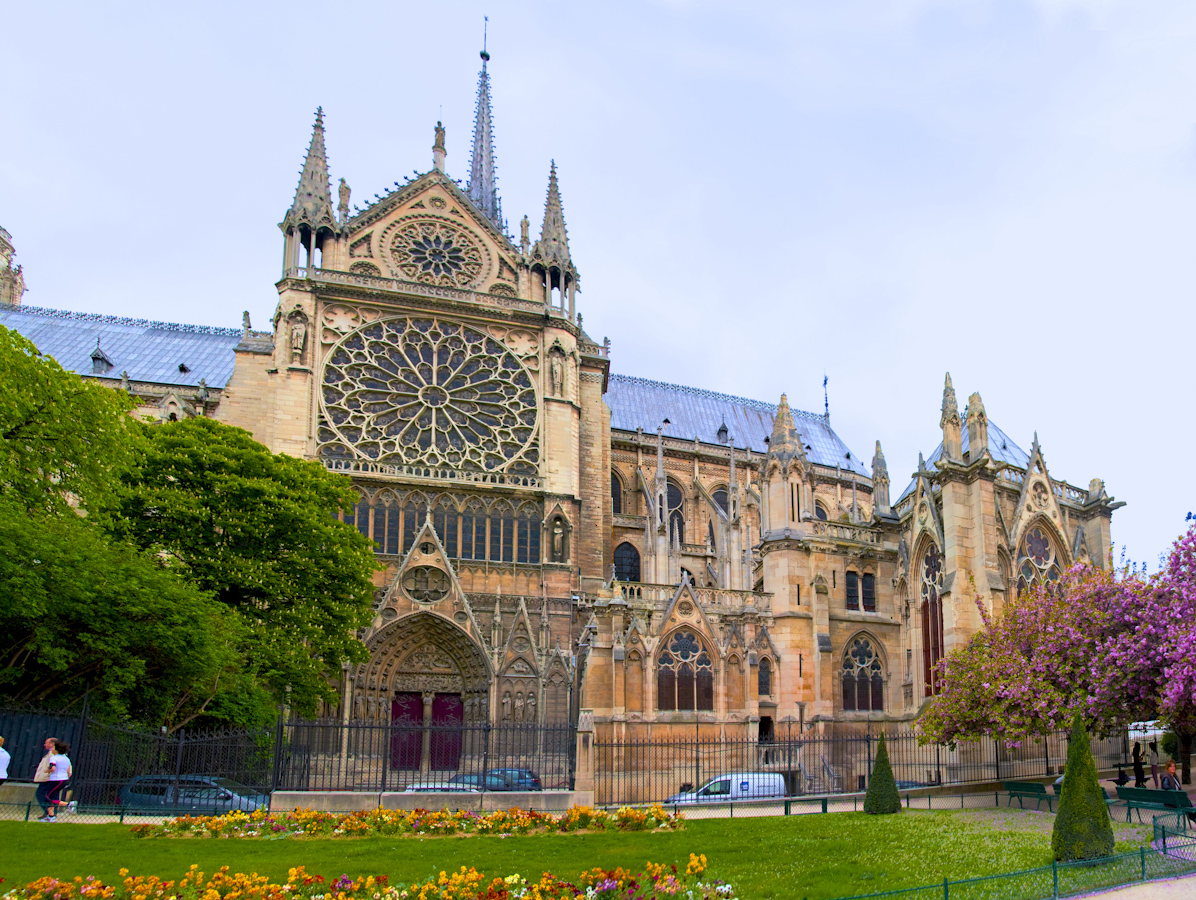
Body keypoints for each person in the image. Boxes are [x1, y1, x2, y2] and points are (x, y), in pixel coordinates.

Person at [39, 740, 72, 821]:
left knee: (47, 797)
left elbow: (52, 768)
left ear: (56, 750)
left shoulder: (53, 758)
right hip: (64, 780)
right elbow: (69, 771)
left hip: (56, 780)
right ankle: (51, 816)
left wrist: (47, 770)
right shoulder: (66, 759)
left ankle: (68, 804)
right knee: (52, 796)